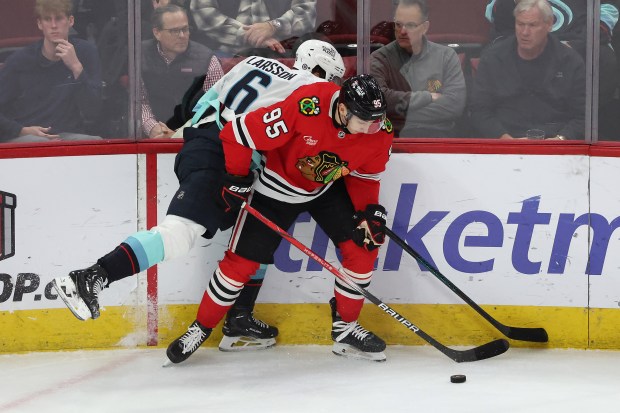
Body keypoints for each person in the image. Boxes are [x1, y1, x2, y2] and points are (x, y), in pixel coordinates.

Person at [52, 39, 346, 352]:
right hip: (220, 157)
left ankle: (240, 318)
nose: (333, 86)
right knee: (179, 234)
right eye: (333, 78)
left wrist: (182, 130)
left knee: (254, 240)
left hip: (216, 149)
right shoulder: (311, 89)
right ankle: (91, 277)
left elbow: (199, 101)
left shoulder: (252, 63)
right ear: (317, 69)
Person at [165, 74, 394, 365]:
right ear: (342, 109)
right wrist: (236, 178)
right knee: (239, 266)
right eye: (364, 121)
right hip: (274, 191)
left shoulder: (379, 129)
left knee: (363, 249)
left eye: (375, 121)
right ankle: (200, 328)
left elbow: (365, 176)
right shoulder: (306, 105)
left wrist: (368, 210)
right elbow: (238, 131)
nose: (370, 129)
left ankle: (345, 328)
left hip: (324, 189)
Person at [485, 0, 619, 133]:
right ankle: (517, 128)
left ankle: (576, 128)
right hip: (521, 37)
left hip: (576, 38)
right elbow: (492, 12)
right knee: (496, 54)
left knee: (604, 59)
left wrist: (576, 44)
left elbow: (609, 9)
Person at [470, 0, 586, 140]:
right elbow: (479, 111)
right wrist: (505, 140)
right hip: (505, 142)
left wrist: (560, 140)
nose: (525, 32)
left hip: (555, 144)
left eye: (532, 25)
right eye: (520, 24)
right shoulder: (493, 58)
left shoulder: (571, 61)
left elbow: (583, 116)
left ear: (549, 24)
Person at [0, 0, 102, 143]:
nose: (54, 26)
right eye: (48, 19)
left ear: (70, 21)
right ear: (40, 24)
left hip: (67, 136)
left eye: (59, 18)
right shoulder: (20, 60)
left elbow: (93, 112)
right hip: (27, 137)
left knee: (96, 142)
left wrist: (76, 67)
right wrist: (21, 130)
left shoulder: (86, 52)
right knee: (41, 144)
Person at [370, 0, 466, 138]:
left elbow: (455, 105)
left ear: (425, 27)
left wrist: (397, 112)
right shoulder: (380, 58)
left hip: (440, 137)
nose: (402, 31)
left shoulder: (446, 56)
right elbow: (378, 101)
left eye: (410, 25)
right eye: (398, 24)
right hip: (394, 139)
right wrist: (427, 97)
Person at [141, 4, 223, 139]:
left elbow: (214, 107)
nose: (182, 35)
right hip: (151, 136)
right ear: (157, 33)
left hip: (195, 137)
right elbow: (139, 102)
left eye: (185, 29)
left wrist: (181, 133)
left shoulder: (207, 59)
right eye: (174, 31)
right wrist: (153, 129)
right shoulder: (140, 55)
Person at [189, 0, 317, 56]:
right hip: (227, 54)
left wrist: (273, 26)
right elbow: (203, 11)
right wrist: (247, 35)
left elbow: (306, 12)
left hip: (280, 53)